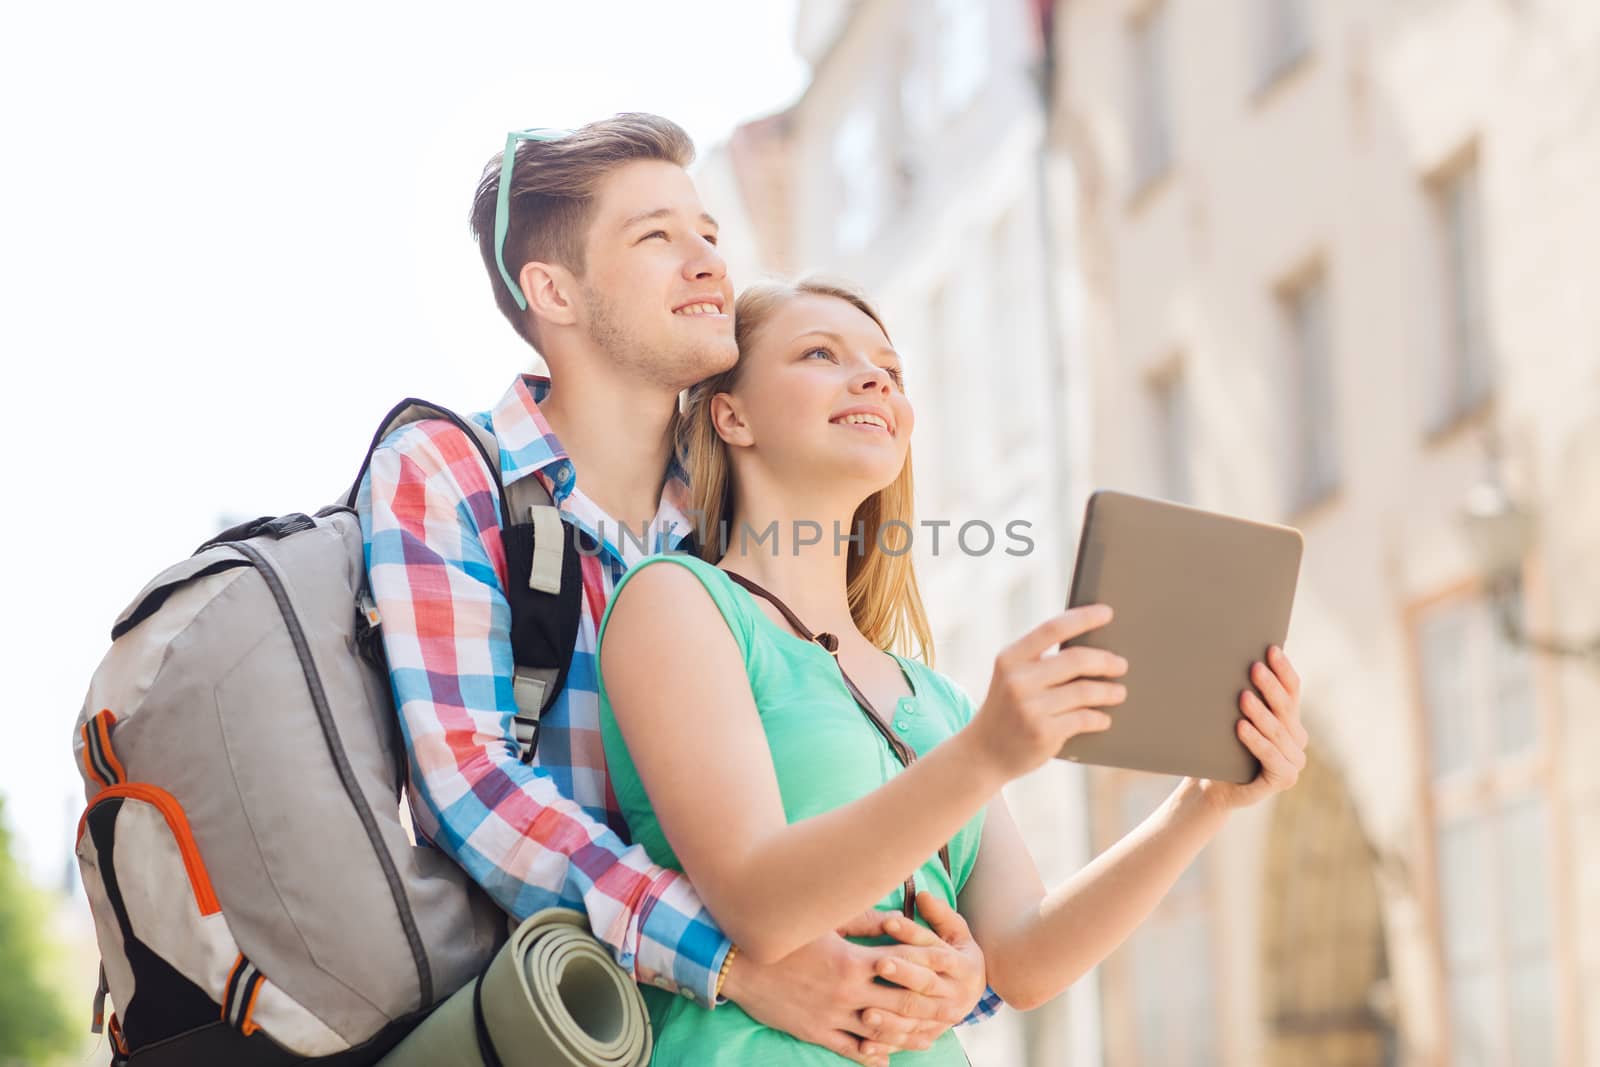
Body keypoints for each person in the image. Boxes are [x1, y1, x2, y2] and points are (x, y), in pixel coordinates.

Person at [357, 114, 989, 1067]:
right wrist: (731, 957)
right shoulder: (450, 473)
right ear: (551, 289)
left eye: (708, 234)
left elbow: (842, 766)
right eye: (656, 236)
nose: (705, 261)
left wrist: (954, 967)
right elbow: (472, 788)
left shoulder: (733, 522)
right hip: (559, 1024)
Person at [596, 278, 1310, 1064]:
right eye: (820, 354)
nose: (872, 379)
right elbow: (760, 905)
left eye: (890, 373)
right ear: (732, 415)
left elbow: (1024, 959)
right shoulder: (677, 602)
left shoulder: (929, 694)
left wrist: (1200, 806)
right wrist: (985, 755)